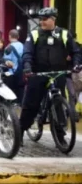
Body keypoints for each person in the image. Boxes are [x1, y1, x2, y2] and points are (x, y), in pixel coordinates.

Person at [21, 8, 81, 144]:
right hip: (37, 74)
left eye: (45, 19)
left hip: (58, 73)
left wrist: (76, 64)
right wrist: (27, 67)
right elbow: (27, 53)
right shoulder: (34, 34)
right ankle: (21, 130)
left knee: (60, 104)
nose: (41, 21)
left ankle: (60, 135)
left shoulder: (64, 34)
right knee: (31, 105)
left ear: (53, 19)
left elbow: (76, 51)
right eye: (40, 19)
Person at [3, 29, 24, 104]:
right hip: (21, 72)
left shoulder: (8, 47)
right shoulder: (22, 45)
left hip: (11, 73)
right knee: (21, 90)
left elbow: (7, 62)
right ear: (18, 36)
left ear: (9, 36)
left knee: (11, 91)